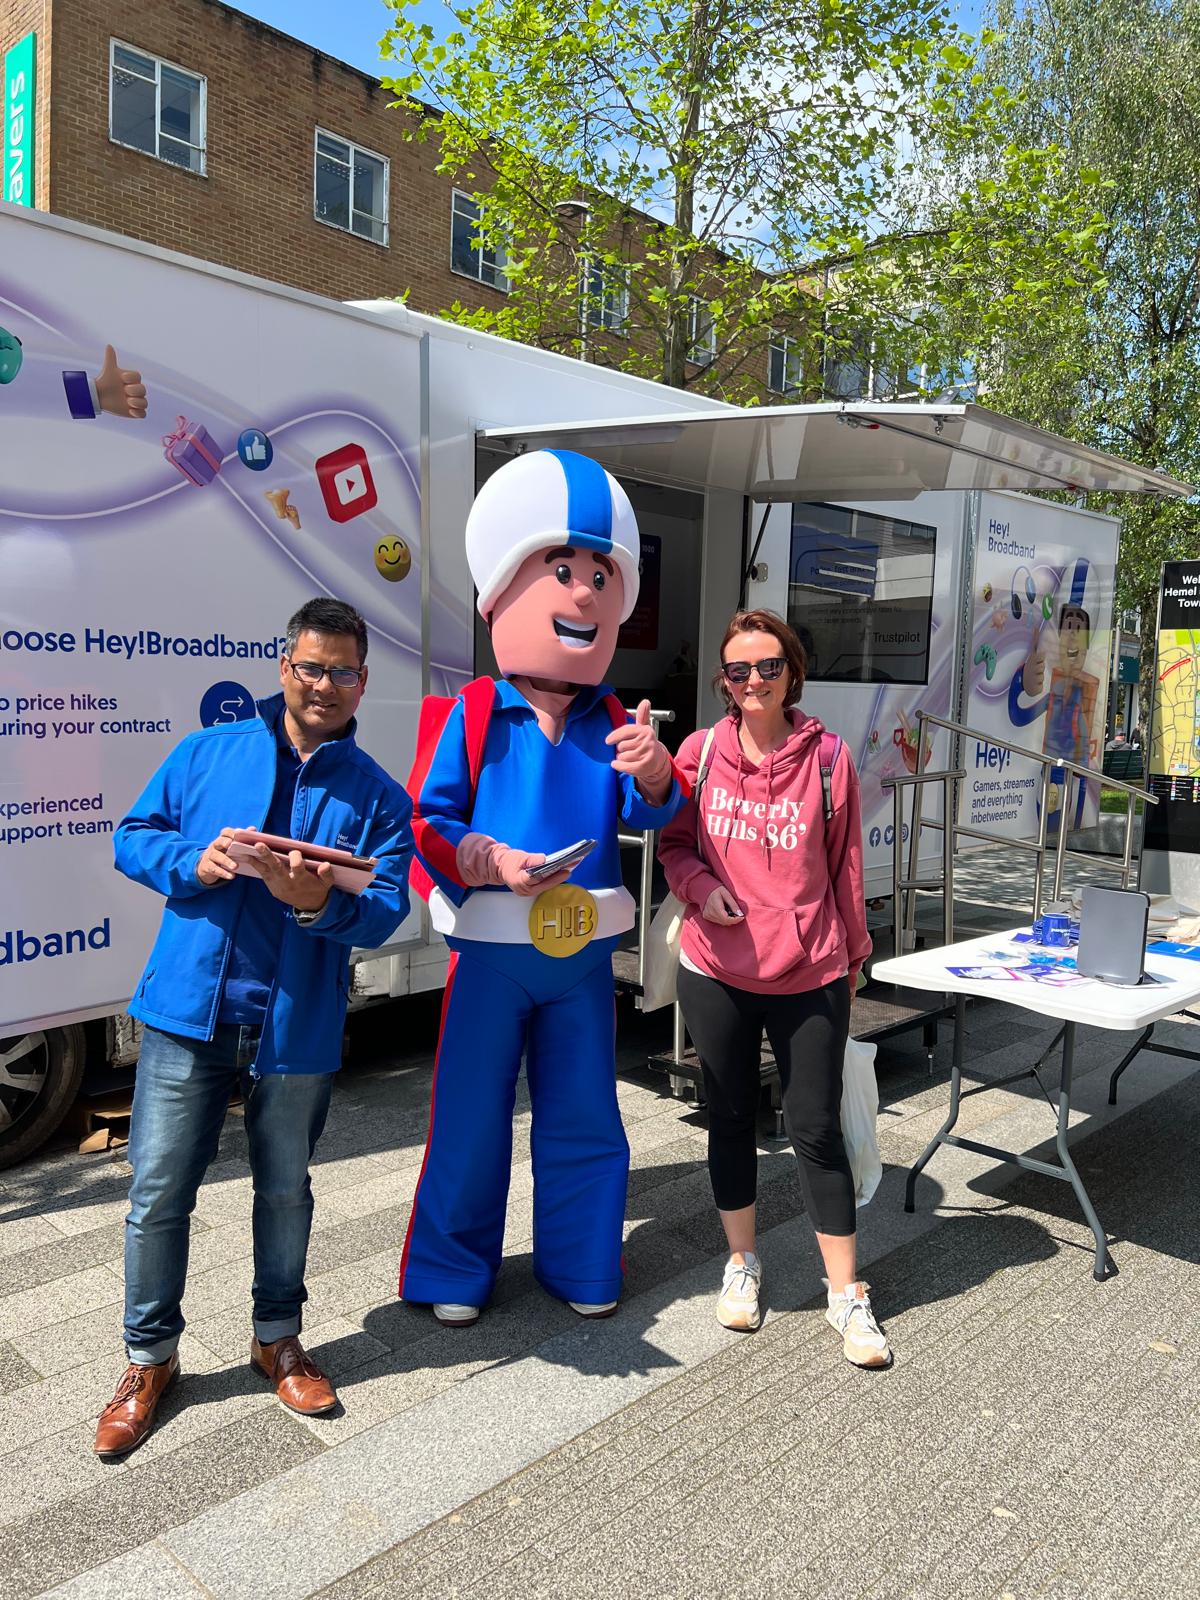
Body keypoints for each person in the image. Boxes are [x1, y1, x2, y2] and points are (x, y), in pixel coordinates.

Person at [94, 598, 414, 1458]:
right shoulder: (208, 751)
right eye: (310, 667)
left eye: (342, 671)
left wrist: (316, 905)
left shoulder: (378, 795)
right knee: (158, 1193)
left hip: (295, 1024)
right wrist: (190, 863)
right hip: (187, 1014)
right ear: (284, 668)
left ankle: (277, 1338)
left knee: (285, 1191)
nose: (324, 685)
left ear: (362, 682)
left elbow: (387, 908)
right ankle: (148, 1358)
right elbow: (132, 837)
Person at [399, 448, 685, 1327]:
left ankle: (586, 1260)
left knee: (586, 1116)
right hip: (489, 954)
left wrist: (658, 775)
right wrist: (489, 860)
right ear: (504, 592)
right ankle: (452, 1270)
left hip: (583, 955)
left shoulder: (615, 721)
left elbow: (669, 821)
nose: (585, 592)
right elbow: (426, 822)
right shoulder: (472, 712)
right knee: (472, 1121)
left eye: (601, 574)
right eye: (562, 570)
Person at [658, 608, 887, 1367]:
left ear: (792, 670)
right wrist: (697, 888)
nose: (752, 681)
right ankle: (742, 1262)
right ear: (723, 681)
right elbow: (677, 842)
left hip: (811, 967)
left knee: (815, 1129)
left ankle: (847, 1294)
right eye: (737, 670)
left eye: (767, 667)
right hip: (717, 968)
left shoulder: (828, 760)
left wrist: (854, 954)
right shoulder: (698, 752)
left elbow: (845, 864)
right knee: (727, 1117)